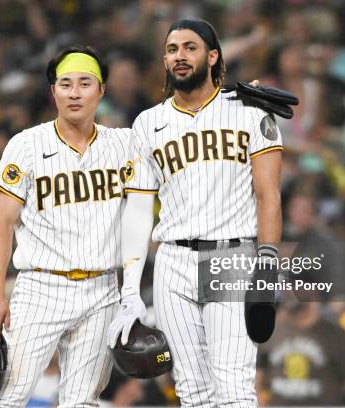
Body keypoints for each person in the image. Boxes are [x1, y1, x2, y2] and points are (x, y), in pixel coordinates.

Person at [108, 19, 284, 407]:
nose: (180, 56)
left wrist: (268, 260)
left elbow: (268, 195)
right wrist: (130, 289)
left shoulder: (250, 110)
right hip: (172, 259)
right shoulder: (148, 123)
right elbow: (138, 210)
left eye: (190, 47)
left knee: (234, 388)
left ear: (213, 55)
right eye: (172, 49)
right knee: (192, 391)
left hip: (232, 255)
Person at [0, 45, 129, 407]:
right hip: (41, 286)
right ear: (53, 92)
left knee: (82, 402)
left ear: (101, 90)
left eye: (84, 83)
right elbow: (0, 226)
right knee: (8, 395)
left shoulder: (125, 143)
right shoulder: (26, 145)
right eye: (65, 84)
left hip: (103, 288)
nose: (74, 93)